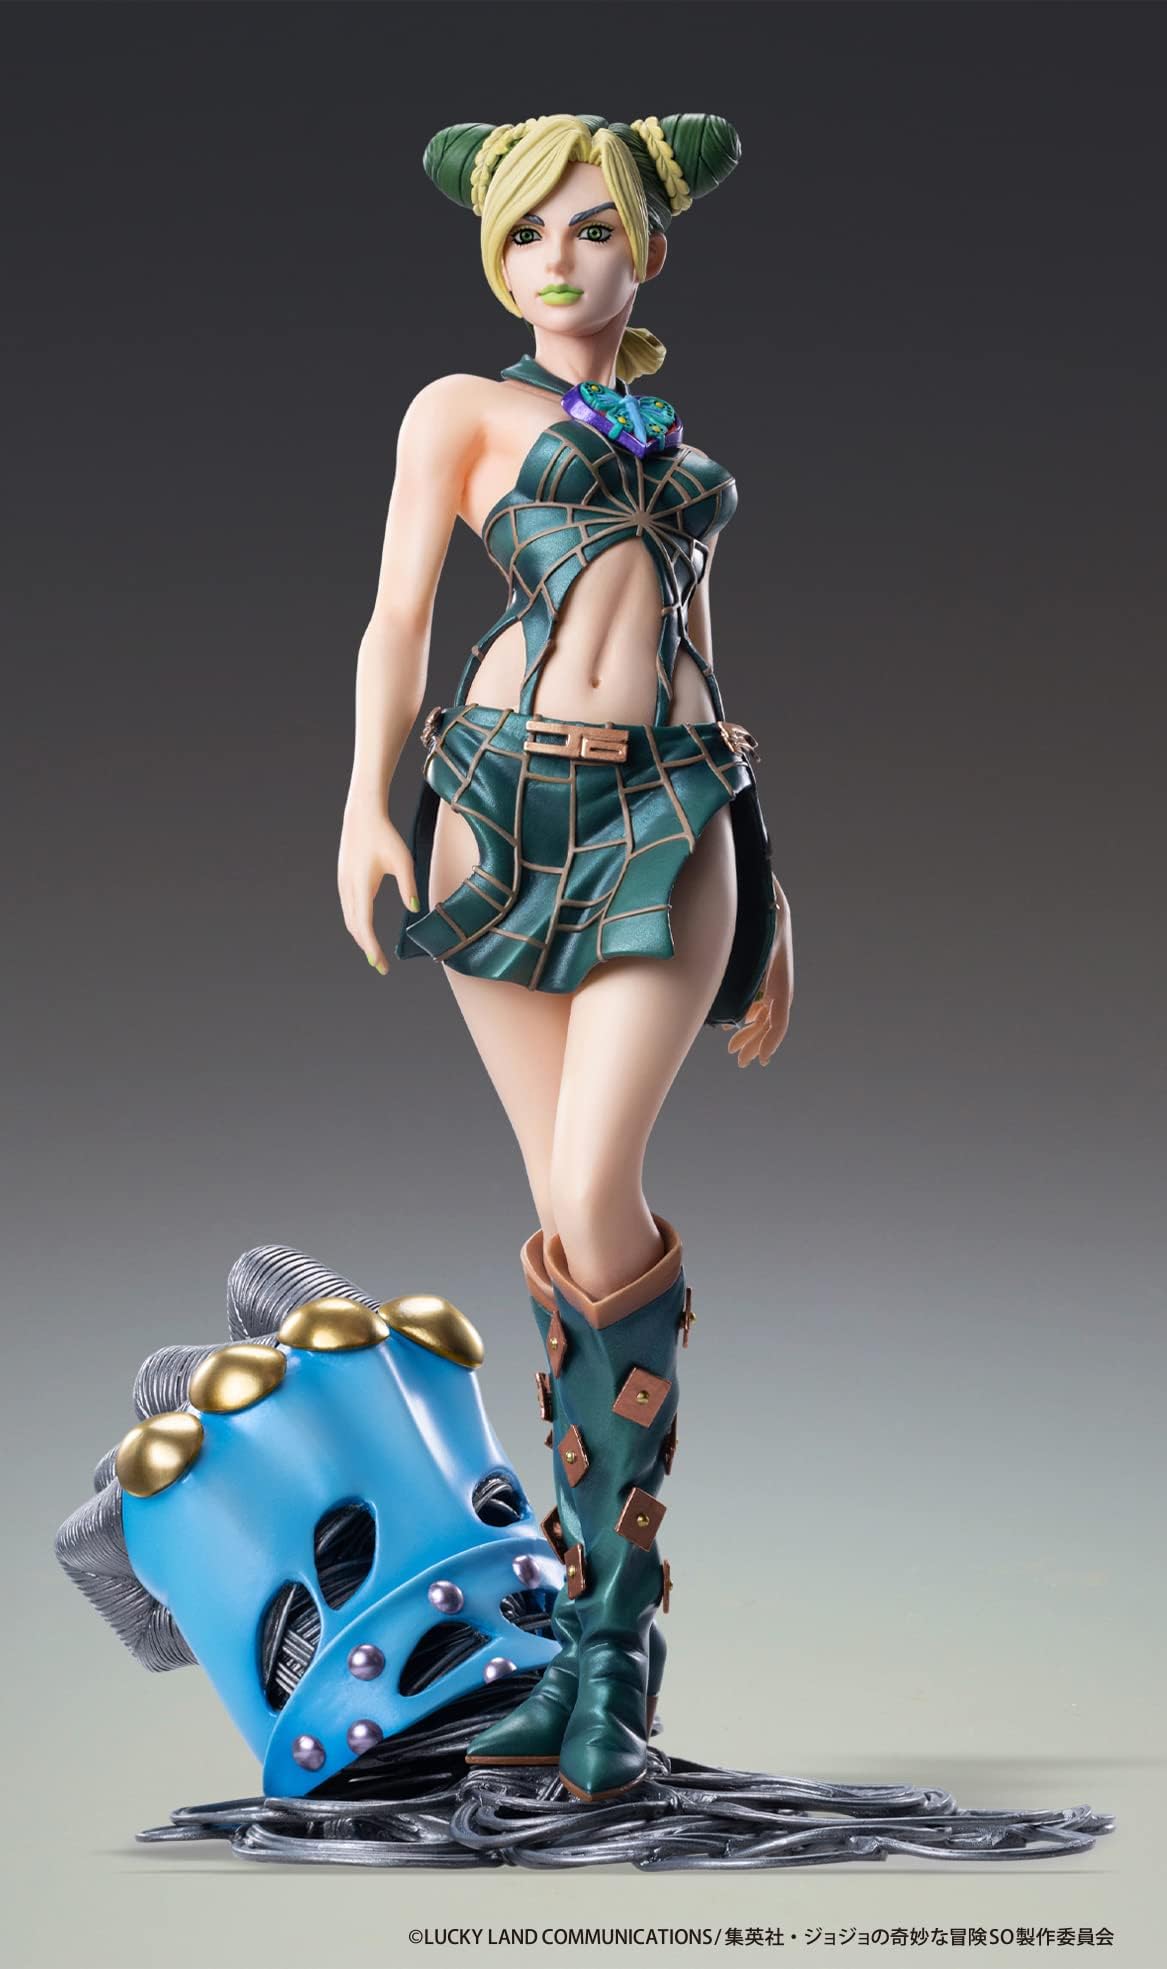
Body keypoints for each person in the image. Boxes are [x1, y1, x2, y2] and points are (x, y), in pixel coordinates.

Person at [336, 112, 794, 1804]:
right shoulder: (461, 411)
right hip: (493, 802)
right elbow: (397, 616)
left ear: (647, 252)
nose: (558, 257)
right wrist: (361, 804)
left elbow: (700, 662)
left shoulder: (671, 446)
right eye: (528, 229)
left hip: (670, 815)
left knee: (600, 1186)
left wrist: (774, 882)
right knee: (559, 1208)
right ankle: (597, 1652)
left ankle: (612, 1641)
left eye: (595, 227)